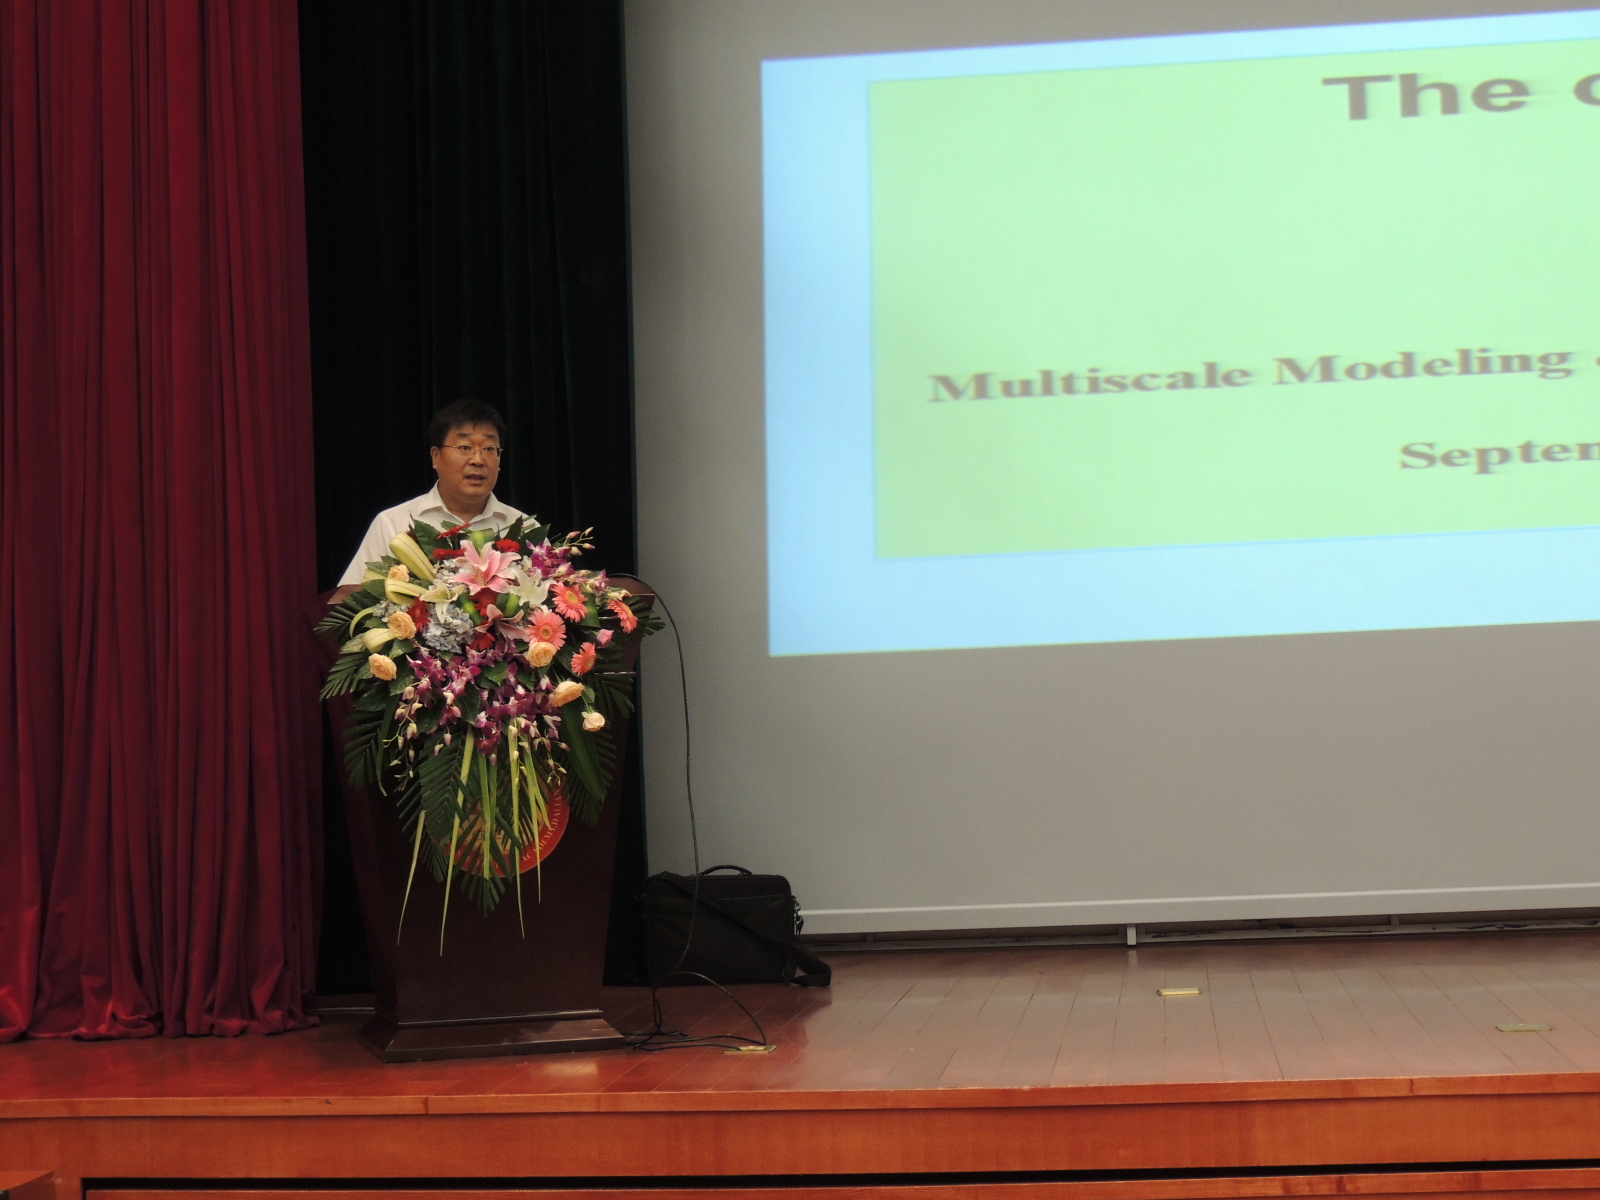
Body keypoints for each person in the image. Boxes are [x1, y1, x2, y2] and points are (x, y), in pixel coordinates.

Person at [329, 399, 531, 603]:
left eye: (489, 448)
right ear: (436, 457)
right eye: (465, 447)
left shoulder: (525, 528)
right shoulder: (393, 524)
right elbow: (347, 604)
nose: (478, 460)